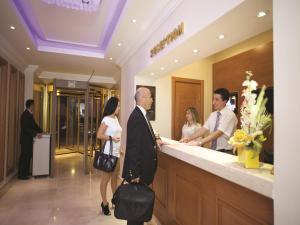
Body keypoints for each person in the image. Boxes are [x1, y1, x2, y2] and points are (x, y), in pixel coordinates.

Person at [122, 87, 164, 225]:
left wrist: (156, 138)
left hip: (142, 171)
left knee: (138, 209)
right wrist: (134, 174)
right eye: (150, 97)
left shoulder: (142, 115)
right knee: (135, 209)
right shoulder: (136, 117)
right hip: (137, 173)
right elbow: (133, 147)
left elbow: (146, 136)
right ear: (143, 98)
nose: (152, 100)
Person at [182, 88, 238, 154]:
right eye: (213, 99)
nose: (213, 102)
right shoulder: (213, 115)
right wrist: (189, 138)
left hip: (226, 151)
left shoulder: (230, 115)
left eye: (217, 100)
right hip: (213, 150)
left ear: (225, 101)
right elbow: (203, 129)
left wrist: (199, 142)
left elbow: (218, 133)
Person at [96, 97, 122, 216]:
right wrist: (111, 138)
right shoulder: (106, 119)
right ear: (113, 106)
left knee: (115, 179)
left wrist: (120, 148)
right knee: (105, 181)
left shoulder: (116, 118)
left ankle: (115, 200)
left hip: (116, 153)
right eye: (118, 106)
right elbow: (99, 135)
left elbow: (117, 134)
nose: (119, 108)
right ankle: (104, 203)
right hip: (108, 154)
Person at [18, 99, 43, 180]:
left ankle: (25, 172)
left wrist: (41, 131)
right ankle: (22, 175)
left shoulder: (30, 114)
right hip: (25, 140)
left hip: (29, 140)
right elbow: (26, 128)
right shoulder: (25, 115)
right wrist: (36, 133)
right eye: (33, 105)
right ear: (30, 106)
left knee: (28, 156)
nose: (34, 107)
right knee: (25, 156)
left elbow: (34, 125)